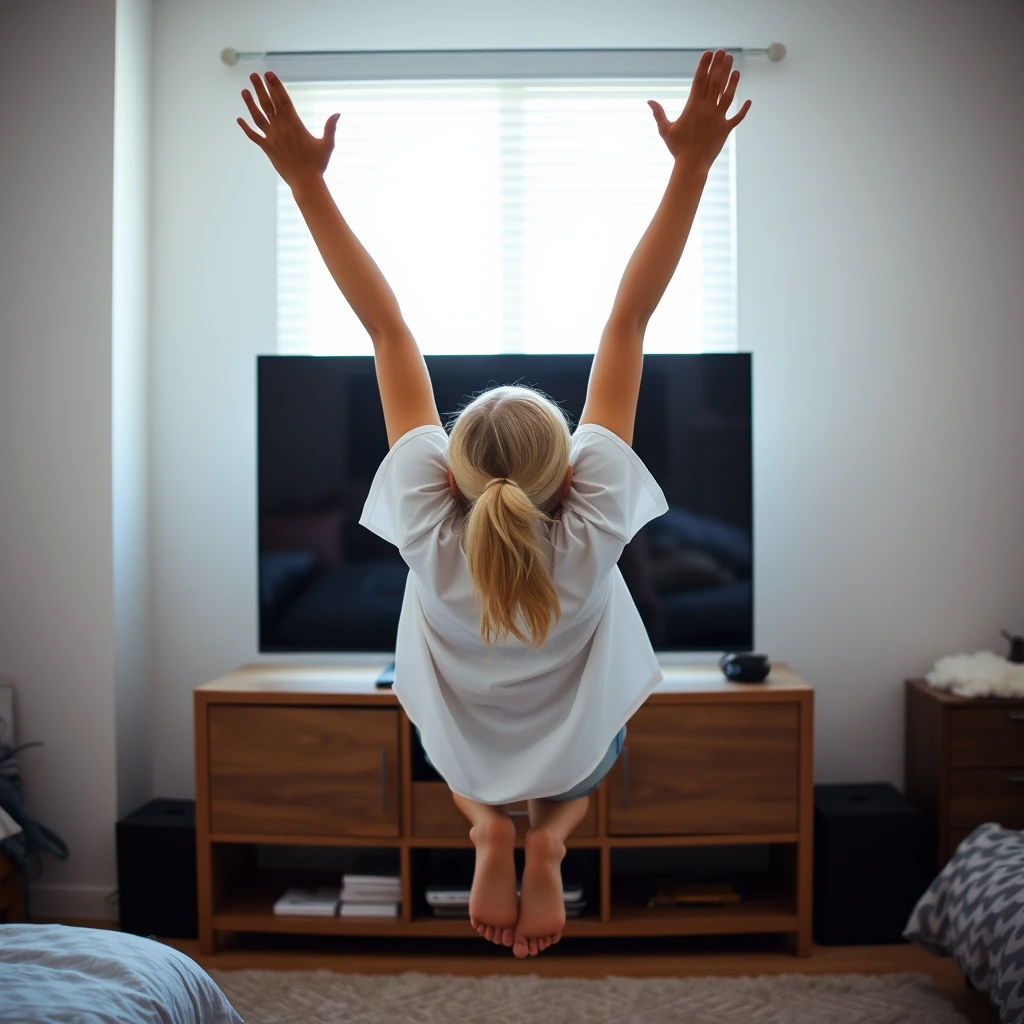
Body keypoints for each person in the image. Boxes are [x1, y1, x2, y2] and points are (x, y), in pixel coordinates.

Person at [237, 50, 750, 959]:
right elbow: (627, 324)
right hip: (576, 753)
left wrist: (306, 186)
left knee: (411, 694)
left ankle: (489, 832)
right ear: (573, 472)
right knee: (607, 737)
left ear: (447, 472)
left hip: (465, 760)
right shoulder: (594, 523)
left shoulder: (427, 522)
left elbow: (386, 329)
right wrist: (693, 168)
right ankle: (551, 841)